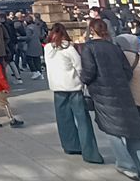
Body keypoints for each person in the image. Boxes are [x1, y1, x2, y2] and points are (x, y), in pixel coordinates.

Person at [81, 19, 140, 181]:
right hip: (123, 93)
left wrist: (84, 81)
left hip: (103, 95)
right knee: (134, 134)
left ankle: (126, 165)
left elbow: (89, 71)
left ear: (92, 31)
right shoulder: (115, 48)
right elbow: (127, 72)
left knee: (113, 132)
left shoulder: (89, 48)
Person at [44, 23, 103, 164]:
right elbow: (79, 67)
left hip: (57, 87)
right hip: (73, 87)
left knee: (63, 119)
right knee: (82, 120)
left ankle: (70, 146)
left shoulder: (48, 49)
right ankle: (90, 152)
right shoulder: (69, 49)